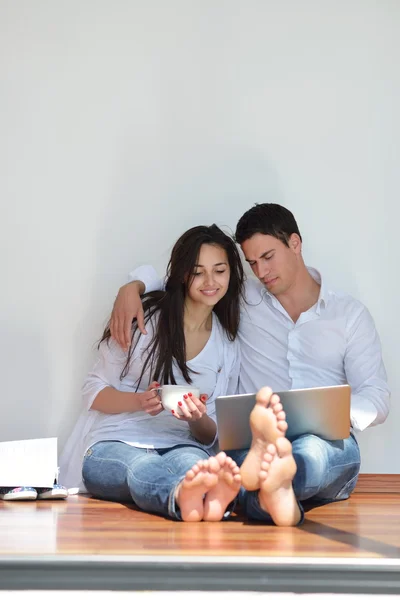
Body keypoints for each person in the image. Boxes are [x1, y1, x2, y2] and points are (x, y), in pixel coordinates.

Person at [110, 203, 390, 526]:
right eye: (252, 263)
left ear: (295, 244)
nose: (261, 272)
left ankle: (279, 483)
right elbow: (185, 277)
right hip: (253, 443)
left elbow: (377, 397)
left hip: (325, 440)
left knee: (310, 454)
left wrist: (327, 413)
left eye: (268, 257)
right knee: (242, 471)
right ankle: (280, 497)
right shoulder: (243, 299)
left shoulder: (349, 316)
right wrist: (132, 287)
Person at [59, 224, 246, 522]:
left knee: (194, 464)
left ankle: (205, 498)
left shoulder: (226, 345)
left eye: (219, 270)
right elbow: (93, 390)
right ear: (184, 274)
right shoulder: (145, 320)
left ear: (231, 275)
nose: (210, 281)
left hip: (181, 442)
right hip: (115, 441)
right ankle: (181, 497)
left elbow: (211, 436)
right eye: (198, 272)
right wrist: (140, 402)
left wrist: (197, 418)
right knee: (138, 468)